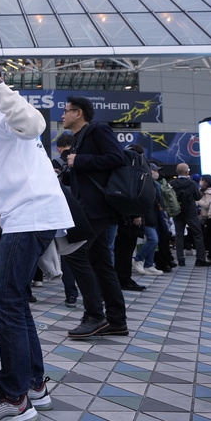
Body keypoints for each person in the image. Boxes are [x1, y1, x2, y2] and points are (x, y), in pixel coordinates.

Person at [0, 47, 73, 421]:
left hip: (32, 213)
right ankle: (34, 385)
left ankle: (14, 398)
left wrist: (0, 84)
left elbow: (35, 125)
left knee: (4, 298)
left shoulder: (3, 108)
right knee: (15, 300)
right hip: (23, 214)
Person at [61, 95, 131, 336]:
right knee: (100, 263)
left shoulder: (97, 130)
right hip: (88, 207)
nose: (63, 115)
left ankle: (94, 315)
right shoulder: (78, 138)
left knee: (75, 253)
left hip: (97, 207)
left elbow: (116, 157)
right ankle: (116, 320)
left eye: (67, 111)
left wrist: (80, 160)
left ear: (79, 113)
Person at [170, 163, 210, 267]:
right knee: (197, 234)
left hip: (177, 211)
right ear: (187, 172)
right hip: (191, 212)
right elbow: (197, 197)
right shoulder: (191, 183)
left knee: (179, 235)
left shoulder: (172, 183)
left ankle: (181, 260)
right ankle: (200, 259)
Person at [132, 163, 165, 277]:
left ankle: (149, 265)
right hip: (148, 216)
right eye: (155, 170)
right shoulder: (145, 183)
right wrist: (138, 214)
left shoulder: (153, 184)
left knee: (153, 241)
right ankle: (138, 259)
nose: (157, 172)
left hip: (152, 216)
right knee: (153, 240)